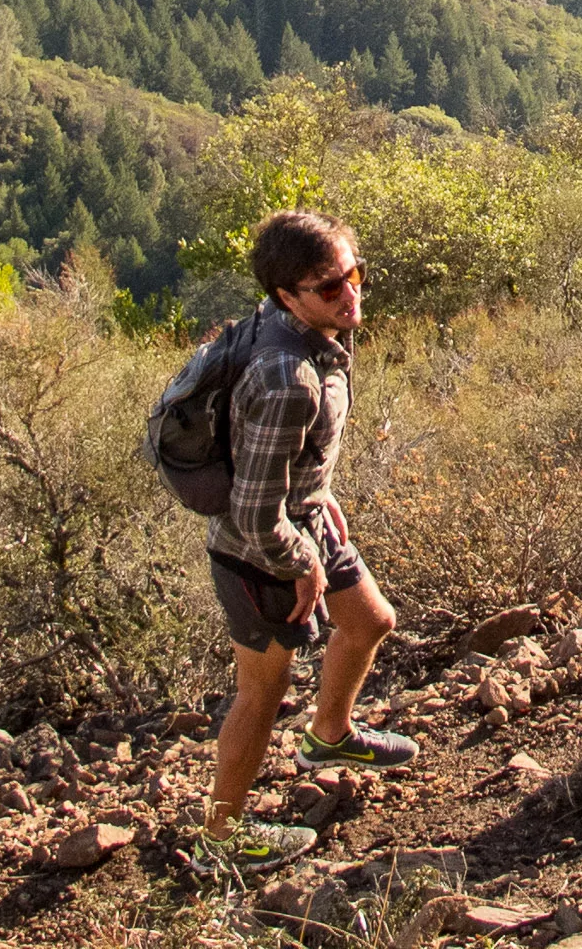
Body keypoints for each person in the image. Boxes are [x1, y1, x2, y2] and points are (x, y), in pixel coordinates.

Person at [199, 210, 418, 875]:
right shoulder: (286, 377)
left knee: (372, 621)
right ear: (286, 296)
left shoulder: (308, 332)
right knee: (260, 692)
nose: (351, 294)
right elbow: (254, 509)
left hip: (307, 522)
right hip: (260, 553)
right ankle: (221, 842)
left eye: (356, 275)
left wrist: (322, 501)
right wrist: (303, 563)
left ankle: (329, 736)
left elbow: (289, 468)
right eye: (331, 287)